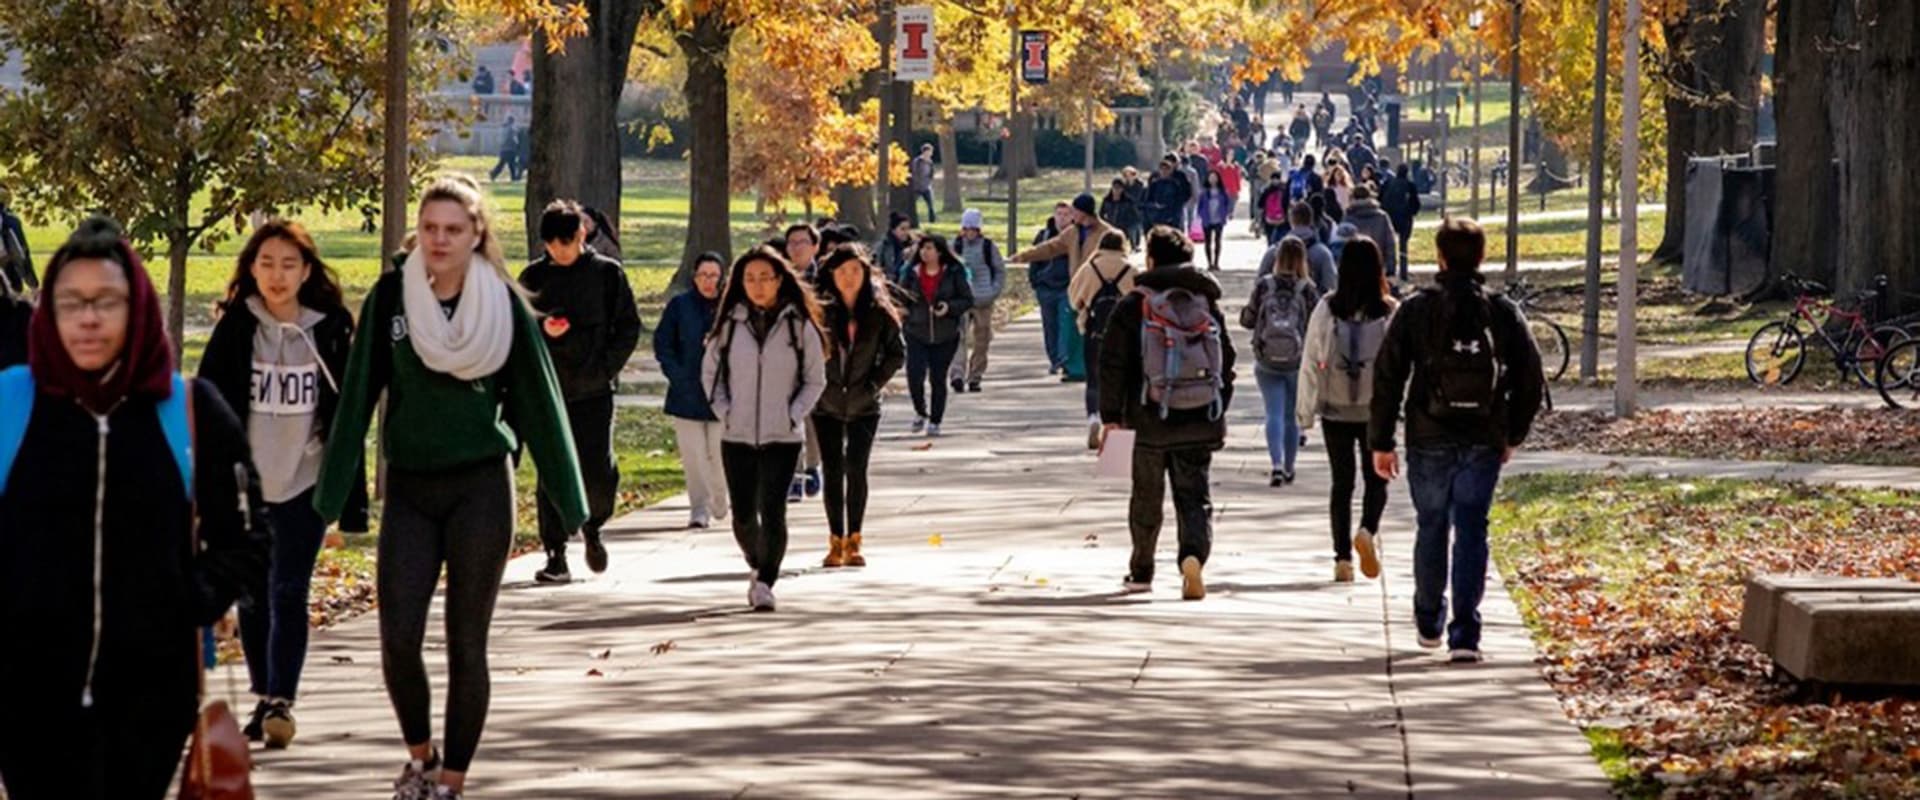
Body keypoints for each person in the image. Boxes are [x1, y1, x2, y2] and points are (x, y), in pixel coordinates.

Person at [315, 176, 587, 798]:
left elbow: (541, 406)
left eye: (453, 230)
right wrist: (332, 498)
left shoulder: (505, 304)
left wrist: (573, 504)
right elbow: (357, 397)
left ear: (476, 235)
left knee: (467, 642)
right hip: (410, 486)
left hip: (480, 489)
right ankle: (422, 755)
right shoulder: (392, 298)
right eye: (430, 228)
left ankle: (452, 782)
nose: (439, 240)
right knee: (398, 639)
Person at [0, 218, 268, 800]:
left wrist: (187, 598)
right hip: (26, 696)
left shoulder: (191, 410)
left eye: (106, 302)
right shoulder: (9, 404)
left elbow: (247, 539)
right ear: (48, 311)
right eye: (71, 302)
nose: (89, 318)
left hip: (150, 695)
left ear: (137, 306)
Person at [197, 219, 362, 750]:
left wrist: (345, 484)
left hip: (305, 481)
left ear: (307, 271)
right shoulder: (237, 327)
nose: (277, 275)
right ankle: (264, 693)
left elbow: (351, 409)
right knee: (252, 593)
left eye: (289, 264)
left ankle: (281, 702)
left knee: (289, 590)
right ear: (250, 268)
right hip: (246, 488)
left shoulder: (331, 327)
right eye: (266, 263)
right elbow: (209, 403)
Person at [1370, 219, 1546, 664]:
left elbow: (1388, 376)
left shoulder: (1416, 309)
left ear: (1440, 257)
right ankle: (1465, 633)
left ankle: (1429, 617)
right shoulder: (1501, 311)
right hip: (1483, 436)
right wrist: (1513, 433)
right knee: (1472, 528)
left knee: (1431, 524)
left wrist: (1382, 440)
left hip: (1428, 434)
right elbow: (1530, 376)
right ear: (1481, 257)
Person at [1100, 226, 1236, 601]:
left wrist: (1110, 416)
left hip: (1147, 421)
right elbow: (1227, 359)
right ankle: (1192, 557)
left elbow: (1112, 363)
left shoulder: (1133, 304)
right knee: (1194, 495)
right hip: (1198, 416)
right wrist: (1217, 404)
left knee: (1146, 495)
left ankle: (1141, 570)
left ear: (1152, 260)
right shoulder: (1205, 303)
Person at [518, 200, 642, 583]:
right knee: (550, 471)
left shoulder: (607, 275)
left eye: (566, 243)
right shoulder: (533, 278)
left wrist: (605, 367)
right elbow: (518, 329)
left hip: (593, 388)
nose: (559, 251)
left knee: (597, 468)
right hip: (549, 390)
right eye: (552, 245)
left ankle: (593, 525)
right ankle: (555, 554)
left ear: (582, 235)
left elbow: (628, 327)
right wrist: (542, 331)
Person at [701, 246, 827, 613]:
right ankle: (758, 561)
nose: (758, 286)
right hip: (736, 433)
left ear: (780, 281)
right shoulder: (728, 326)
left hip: (782, 436)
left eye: (765, 278)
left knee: (773, 510)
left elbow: (814, 379)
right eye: (750, 278)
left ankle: (767, 581)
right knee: (743, 514)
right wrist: (724, 410)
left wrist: (794, 413)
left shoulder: (798, 324)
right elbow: (711, 375)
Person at [1299, 236, 1397, 583]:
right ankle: (1368, 530)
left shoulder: (1328, 307)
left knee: (1341, 484)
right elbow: (1403, 367)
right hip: (1376, 411)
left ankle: (1342, 558)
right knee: (1377, 479)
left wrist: (1304, 411)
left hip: (1335, 408)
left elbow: (1311, 359)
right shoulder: (1389, 311)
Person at [812, 244, 906, 568]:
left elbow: (897, 353)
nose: (849, 278)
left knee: (856, 467)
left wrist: (873, 384)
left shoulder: (878, 312)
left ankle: (855, 538)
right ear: (831, 275)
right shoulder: (820, 312)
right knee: (833, 470)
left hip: (865, 403)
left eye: (855, 270)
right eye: (842, 272)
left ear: (865, 273)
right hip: (825, 402)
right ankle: (835, 539)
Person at [657, 252, 730, 529]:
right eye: (703, 275)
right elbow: (663, 344)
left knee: (719, 453)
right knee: (694, 456)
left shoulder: (729, 308)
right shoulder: (679, 306)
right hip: (686, 392)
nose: (708, 282)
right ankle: (699, 508)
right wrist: (677, 376)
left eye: (713, 275)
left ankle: (720, 499)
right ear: (694, 276)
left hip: (722, 393)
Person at [1011, 193, 1117, 382]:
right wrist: (1025, 256)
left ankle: (1095, 367)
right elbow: (1051, 247)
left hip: (1099, 289)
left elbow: (1118, 258)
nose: (1072, 215)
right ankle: (1074, 368)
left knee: (1096, 329)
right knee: (1072, 328)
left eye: (1074, 211)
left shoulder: (1106, 233)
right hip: (1077, 288)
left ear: (1084, 212)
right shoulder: (1073, 233)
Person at [1241, 237, 1319, 487]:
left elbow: (1248, 320)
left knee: (1272, 412)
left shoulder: (1265, 286)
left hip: (1267, 360)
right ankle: (1289, 467)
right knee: (1291, 416)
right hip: (1297, 360)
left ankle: (1275, 464)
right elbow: (1317, 324)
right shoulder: (1307, 288)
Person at [898, 234, 975, 436]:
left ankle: (935, 420)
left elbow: (967, 300)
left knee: (937, 378)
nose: (925, 252)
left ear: (939, 252)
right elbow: (901, 297)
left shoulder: (954, 272)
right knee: (914, 375)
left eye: (930, 248)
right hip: (916, 331)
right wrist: (904, 312)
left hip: (945, 334)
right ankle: (920, 411)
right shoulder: (911, 272)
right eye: (922, 248)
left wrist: (949, 308)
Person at [1068, 231, 1136, 449]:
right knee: (1124, 380)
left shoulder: (1089, 268)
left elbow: (1073, 298)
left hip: (1095, 330)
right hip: (1125, 334)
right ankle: (1117, 428)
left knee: (1094, 379)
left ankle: (1093, 418)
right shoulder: (1130, 269)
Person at [782, 223, 825, 501]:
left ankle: (812, 465)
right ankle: (794, 474)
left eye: (802, 242)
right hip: (785, 355)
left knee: (813, 416)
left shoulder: (826, 280)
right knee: (790, 414)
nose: (797, 247)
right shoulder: (780, 279)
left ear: (815, 247)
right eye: (792, 243)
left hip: (818, 355)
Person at [949, 209, 1006, 394]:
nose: (969, 232)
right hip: (961, 300)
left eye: (973, 228)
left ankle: (975, 376)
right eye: (966, 228)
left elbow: (999, 271)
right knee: (959, 338)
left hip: (983, 300)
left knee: (982, 340)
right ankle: (957, 374)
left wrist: (993, 291)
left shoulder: (989, 247)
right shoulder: (955, 246)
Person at [1024, 204, 1073, 374]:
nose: (1062, 218)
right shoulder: (1044, 235)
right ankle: (1054, 359)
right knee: (1050, 325)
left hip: (1067, 287)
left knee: (1065, 324)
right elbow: (1035, 258)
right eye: (1059, 214)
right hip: (1046, 287)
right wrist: (1035, 281)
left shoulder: (1075, 236)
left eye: (1066, 214)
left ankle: (1064, 359)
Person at [1261, 203, 1338, 291]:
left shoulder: (1274, 251)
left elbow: (1259, 284)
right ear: (1310, 220)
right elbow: (1330, 285)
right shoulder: (1323, 254)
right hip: (1312, 303)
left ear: (1291, 221)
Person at [1343, 185, 1400, 284]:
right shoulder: (1382, 217)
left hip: (1354, 268)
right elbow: (1390, 243)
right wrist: (1391, 269)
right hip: (1378, 266)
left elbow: (1342, 243)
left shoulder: (1348, 217)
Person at [1380, 163, 1423, 281]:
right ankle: (1403, 272)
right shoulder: (1410, 185)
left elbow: (1380, 198)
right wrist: (1412, 212)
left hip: (1390, 217)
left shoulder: (1388, 183)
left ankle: (1390, 270)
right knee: (1403, 245)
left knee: (1389, 244)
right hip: (1405, 218)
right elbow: (1416, 202)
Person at [1196, 170, 1234, 271]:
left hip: (1218, 219)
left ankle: (1216, 262)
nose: (1213, 179)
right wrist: (1201, 215)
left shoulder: (1222, 191)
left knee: (1217, 241)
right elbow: (1199, 205)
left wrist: (1227, 213)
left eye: (1214, 177)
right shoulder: (1204, 192)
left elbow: (1227, 203)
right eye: (1211, 177)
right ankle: (1209, 263)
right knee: (1207, 242)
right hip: (1207, 220)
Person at [1144, 157, 1191, 229]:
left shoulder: (1175, 184)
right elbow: (1148, 200)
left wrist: (1174, 214)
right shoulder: (1154, 184)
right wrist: (1154, 207)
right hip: (1157, 216)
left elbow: (1180, 200)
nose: (1164, 172)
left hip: (1172, 216)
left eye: (1167, 169)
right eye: (1162, 169)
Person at [1100, 177, 1142, 250]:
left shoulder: (1128, 201)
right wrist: (1106, 223)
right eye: (1115, 187)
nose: (1116, 190)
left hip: (1124, 229)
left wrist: (1128, 224)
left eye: (1119, 188)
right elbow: (1101, 214)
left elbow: (1135, 216)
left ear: (1122, 189)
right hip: (1110, 228)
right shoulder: (1107, 200)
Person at [875, 211, 916, 279]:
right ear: (893, 230)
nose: (906, 232)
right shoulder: (884, 245)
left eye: (908, 228)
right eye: (902, 229)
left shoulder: (913, 245)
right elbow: (877, 265)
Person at [1256, 169, 1291, 245]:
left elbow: (1260, 205)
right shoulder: (1284, 190)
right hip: (1282, 220)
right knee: (1281, 241)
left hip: (1269, 220)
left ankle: (1271, 253)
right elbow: (1287, 204)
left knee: (1270, 241)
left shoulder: (1267, 190)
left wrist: (1259, 221)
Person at [910, 143, 937, 226]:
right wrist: (917, 183)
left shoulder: (930, 162)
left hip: (926, 187)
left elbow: (931, 174)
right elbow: (914, 173)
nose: (930, 153)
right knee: (912, 204)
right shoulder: (918, 161)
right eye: (929, 151)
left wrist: (928, 182)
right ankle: (912, 220)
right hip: (917, 187)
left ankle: (932, 221)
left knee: (931, 205)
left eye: (931, 152)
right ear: (924, 152)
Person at [489, 117, 520, 182]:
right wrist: (517, 145)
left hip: (503, 149)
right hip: (510, 149)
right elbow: (514, 139)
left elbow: (500, 139)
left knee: (502, 164)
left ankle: (493, 174)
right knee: (511, 165)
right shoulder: (512, 129)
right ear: (512, 121)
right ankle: (514, 178)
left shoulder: (503, 128)